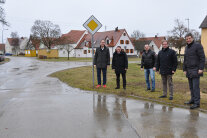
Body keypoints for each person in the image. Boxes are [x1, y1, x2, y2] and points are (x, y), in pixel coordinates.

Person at [183, 33, 205, 109]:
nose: (188, 40)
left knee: (196, 87)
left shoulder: (197, 45)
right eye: (187, 39)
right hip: (189, 70)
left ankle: (197, 103)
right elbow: (185, 59)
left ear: (192, 38)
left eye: (189, 38)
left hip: (196, 70)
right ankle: (192, 100)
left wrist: (201, 68)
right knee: (191, 87)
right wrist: (184, 69)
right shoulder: (186, 47)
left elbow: (202, 58)